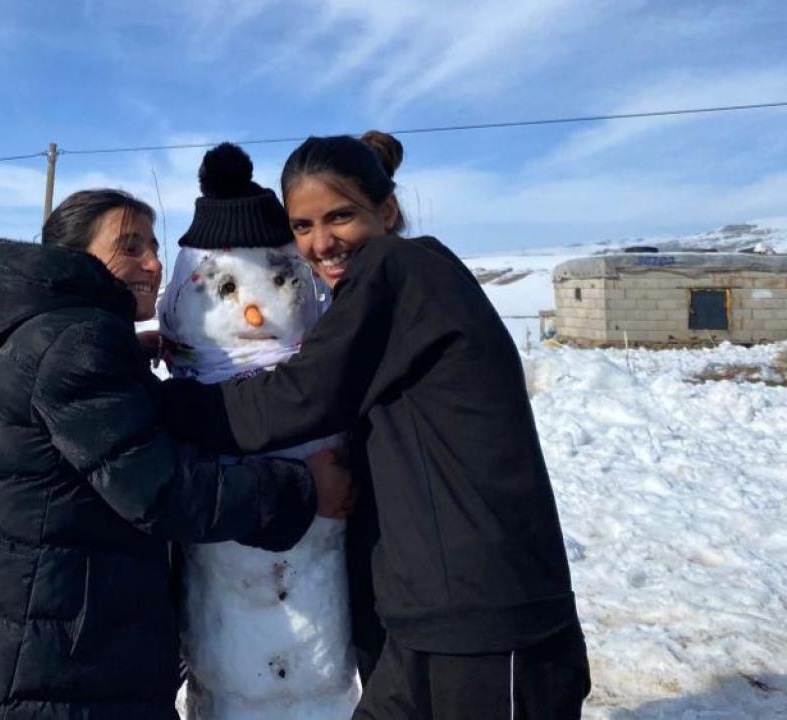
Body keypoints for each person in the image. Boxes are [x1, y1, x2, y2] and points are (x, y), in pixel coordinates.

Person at [0, 189, 351, 720]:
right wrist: (300, 490)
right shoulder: (78, 342)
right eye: (129, 247)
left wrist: (131, 371)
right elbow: (160, 491)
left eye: (153, 244)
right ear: (76, 256)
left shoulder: (51, 330)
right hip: (34, 660)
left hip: (7, 632)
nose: (152, 262)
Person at [159, 133, 591, 719]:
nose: (321, 243)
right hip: (424, 606)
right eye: (303, 226)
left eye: (341, 217)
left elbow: (299, 397)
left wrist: (164, 404)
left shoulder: (402, 270)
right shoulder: (382, 287)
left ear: (386, 212)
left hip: (487, 609)